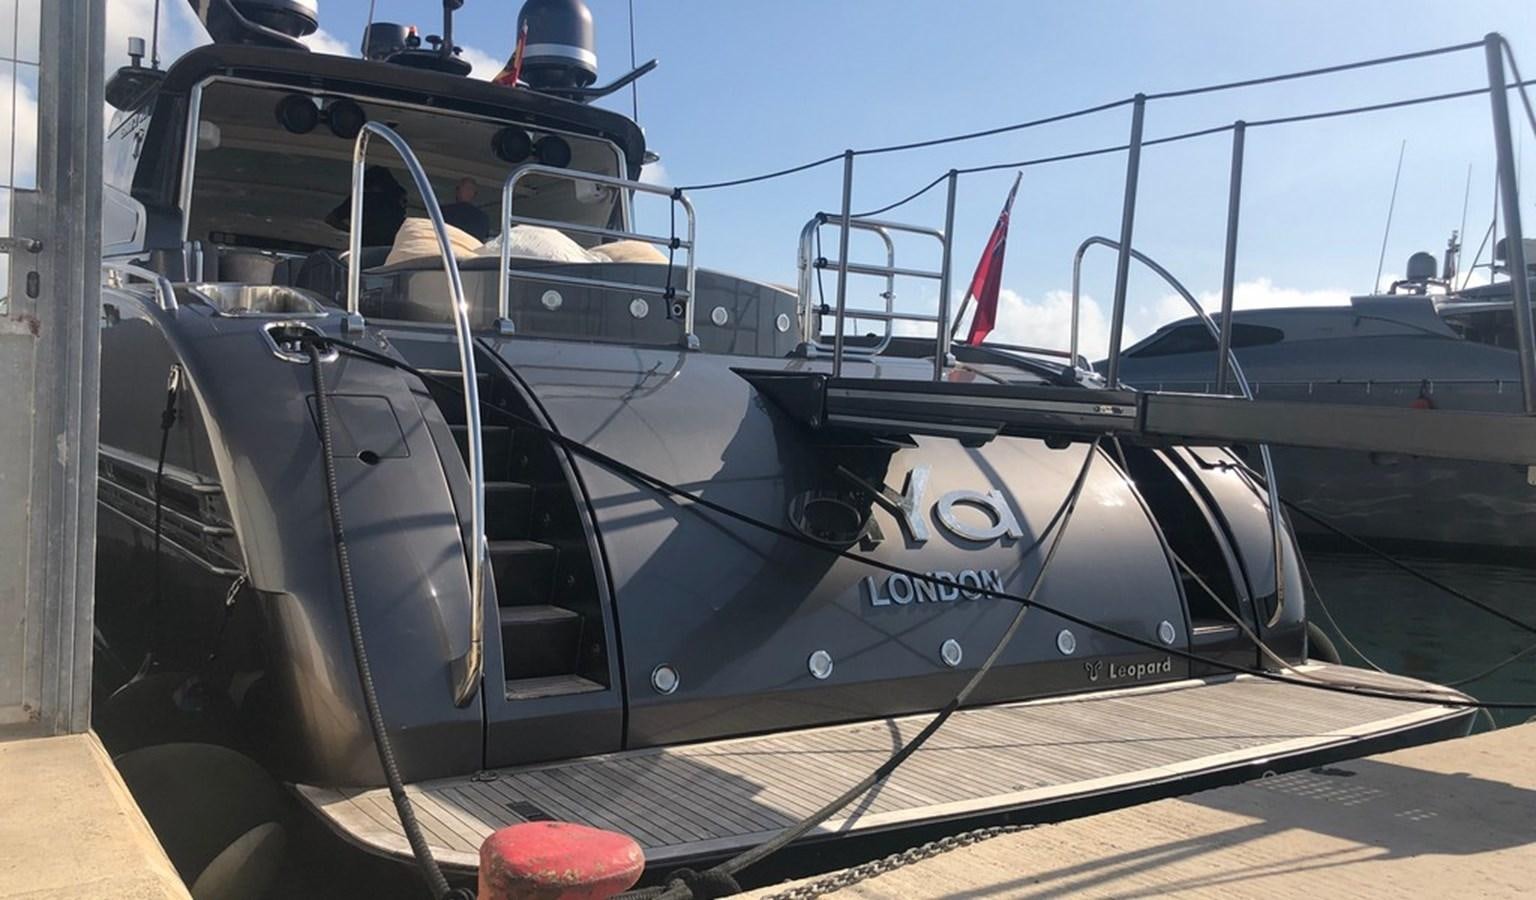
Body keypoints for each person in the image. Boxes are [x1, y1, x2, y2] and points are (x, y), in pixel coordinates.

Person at [325, 165, 408, 247]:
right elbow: (331, 219)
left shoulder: (362, 199)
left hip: (369, 245)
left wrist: (354, 231)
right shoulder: (396, 197)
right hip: (388, 245)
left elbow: (331, 219)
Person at [439, 177, 491, 242]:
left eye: (471, 189)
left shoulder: (482, 217)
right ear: (458, 190)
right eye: (466, 188)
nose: (468, 191)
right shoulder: (442, 212)